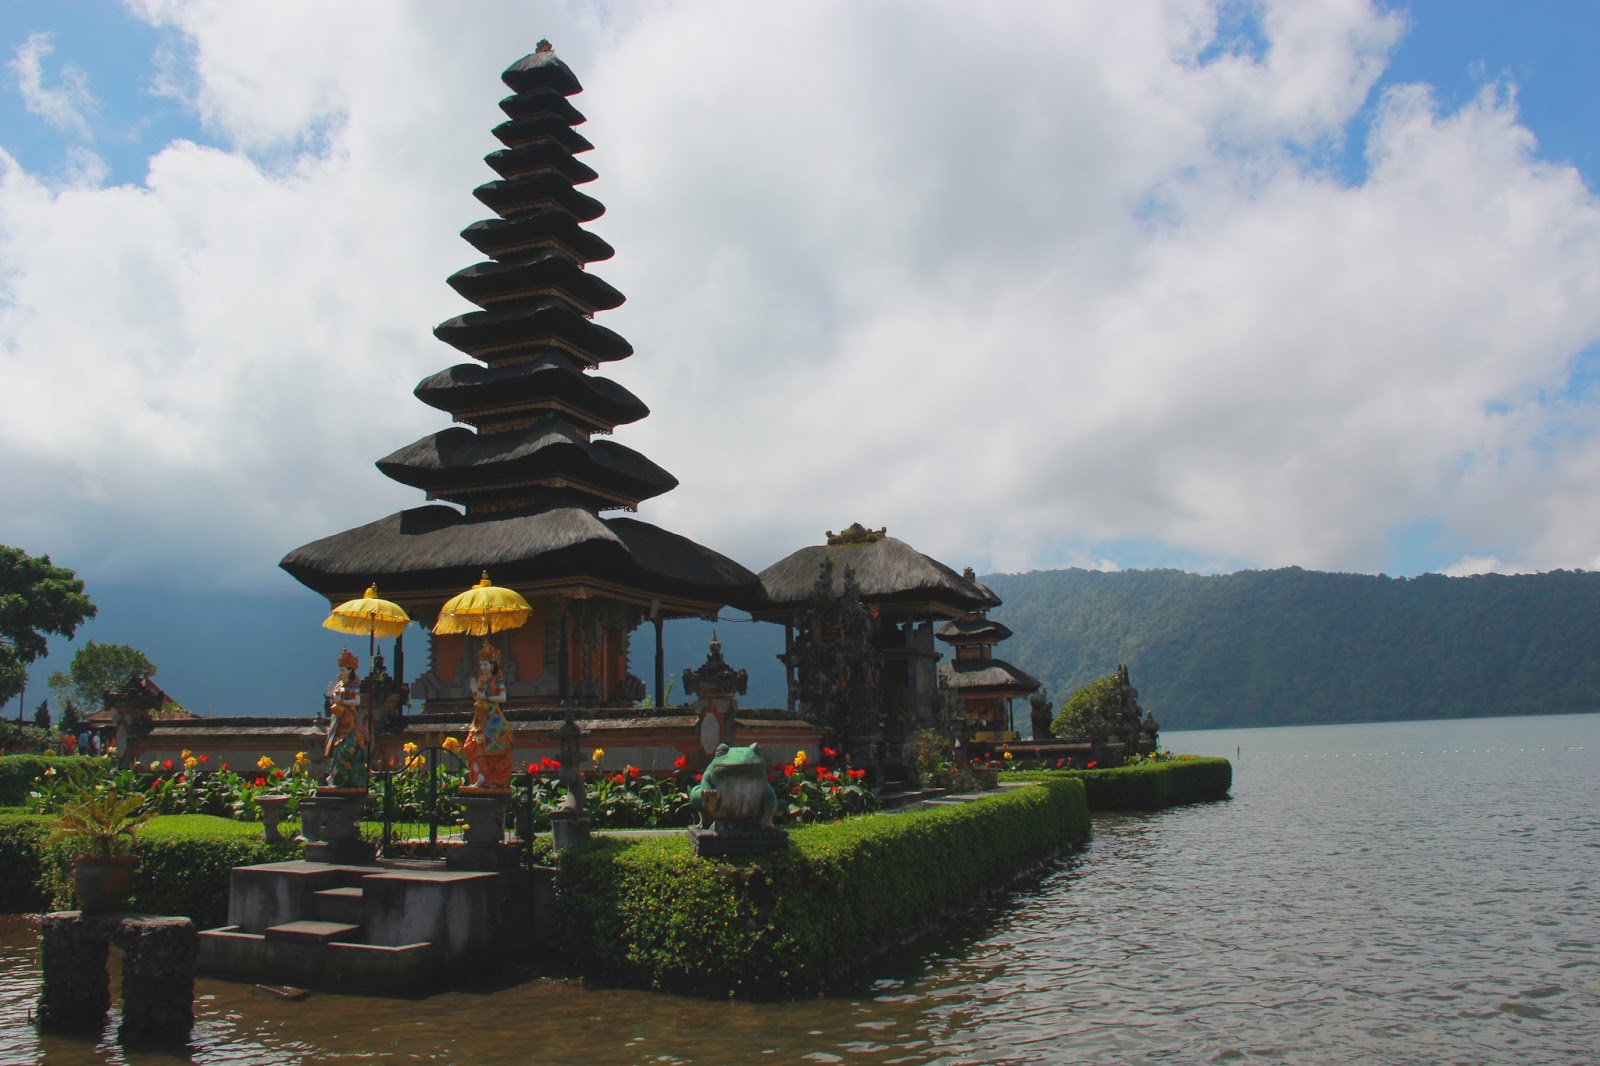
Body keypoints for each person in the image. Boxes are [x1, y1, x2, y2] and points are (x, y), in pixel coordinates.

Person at [462, 640, 513, 788]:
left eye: (485, 664)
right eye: (481, 664)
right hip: (480, 718)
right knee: (470, 746)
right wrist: (475, 691)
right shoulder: (482, 679)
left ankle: (491, 779)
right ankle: (481, 776)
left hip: (493, 718)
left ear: (492, 665)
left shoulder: (498, 679)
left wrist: (485, 697)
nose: (482, 667)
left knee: (493, 750)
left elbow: (503, 698)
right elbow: (478, 697)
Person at [323, 648, 370, 788]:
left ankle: (348, 779)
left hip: (350, 721)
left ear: (350, 671)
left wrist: (342, 701)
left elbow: (357, 702)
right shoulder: (339, 685)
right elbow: (335, 702)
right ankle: (333, 778)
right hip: (339, 721)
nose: (340, 672)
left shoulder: (353, 686)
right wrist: (331, 696)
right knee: (335, 749)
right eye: (340, 670)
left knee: (347, 749)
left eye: (343, 670)